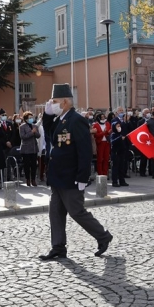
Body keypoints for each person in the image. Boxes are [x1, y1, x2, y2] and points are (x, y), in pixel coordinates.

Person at [39, 84, 113, 260]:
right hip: (57, 176)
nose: (52, 104)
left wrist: (82, 176)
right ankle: (58, 247)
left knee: (76, 211)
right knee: (55, 212)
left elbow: (84, 151)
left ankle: (103, 236)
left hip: (71, 176)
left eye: (54, 101)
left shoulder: (76, 119)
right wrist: (47, 114)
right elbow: (49, 134)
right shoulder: (59, 119)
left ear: (65, 101)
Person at [19, 111, 40, 186]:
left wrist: (35, 132)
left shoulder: (35, 126)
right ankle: (27, 179)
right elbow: (23, 137)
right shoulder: (22, 126)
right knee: (27, 165)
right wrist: (31, 132)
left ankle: (33, 179)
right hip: (26, 148)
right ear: (26, 119)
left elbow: (38, 135)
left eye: (32, 117)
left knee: (34, 165)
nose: (31, 119)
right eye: (29, 118)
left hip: (34, 148)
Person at [110, 107, 130, 187]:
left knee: (121, 166)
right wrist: (119, 138)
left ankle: (122, 181)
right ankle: (115, 181)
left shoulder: (120, 133)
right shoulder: (113, 134)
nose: (119, 127)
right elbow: (112, 142)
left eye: (119, 126)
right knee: (115, 167)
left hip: (121, 151)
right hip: (115, 152)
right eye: (117, 126)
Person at [91, 113, 111, 178]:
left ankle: (105, 173)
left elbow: (109, 131)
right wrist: (103, 132)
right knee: (100, 159)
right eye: (101, 117)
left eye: (103, 117)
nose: (103, 118)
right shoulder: (95, 125)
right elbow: (96, 135)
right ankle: (100, 173)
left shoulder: (107, 124)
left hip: (107, 142)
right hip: (100, 143)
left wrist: (108, 132)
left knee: (106, 158)